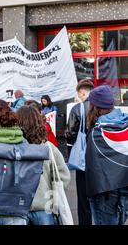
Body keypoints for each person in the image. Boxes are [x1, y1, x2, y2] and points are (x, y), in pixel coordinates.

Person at [16, 106, 70, 225]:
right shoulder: (48, 148)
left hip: (18, 207)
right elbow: (63, 176)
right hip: (45, 206)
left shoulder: (12, 149)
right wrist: (53, 197)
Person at [85, 85, 128, 225]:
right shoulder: (125, 124)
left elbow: (93, 167)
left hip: (104, 192)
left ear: (95, 107)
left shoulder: (97, 132)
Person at [64, 78, 94, 225]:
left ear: (82, 93)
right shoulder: (102, 107)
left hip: (83, 156)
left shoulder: (77, 109)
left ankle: (85, 222)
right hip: (100, 157)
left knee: (82, 194)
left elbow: (70, 133)